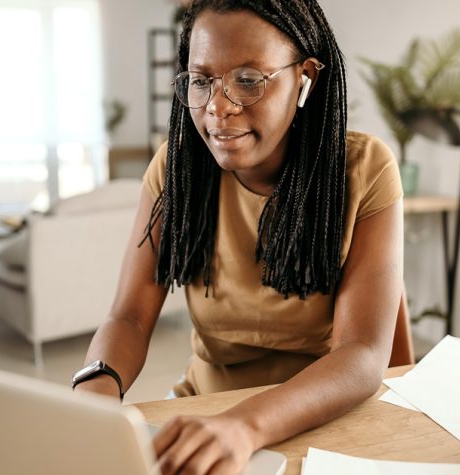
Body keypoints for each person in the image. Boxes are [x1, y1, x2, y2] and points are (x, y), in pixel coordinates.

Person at [74, 0, 412, 473]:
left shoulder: (363, 170)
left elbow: (361, 354)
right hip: (209, 410)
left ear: (305, 78)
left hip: (321, 419)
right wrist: (92, 392)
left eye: (249, 80)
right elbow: (129, 317)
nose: (217, 106)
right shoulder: (177, 170)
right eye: (200, 80)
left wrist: (244, 427)